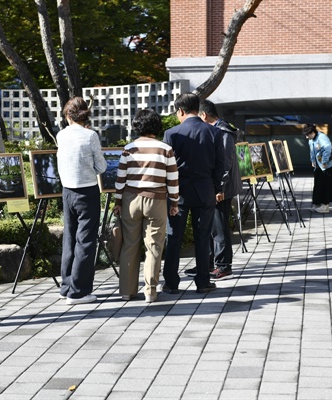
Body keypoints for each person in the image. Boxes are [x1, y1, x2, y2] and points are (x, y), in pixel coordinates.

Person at [112, 109, 179, 303]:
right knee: (154, 246)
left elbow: (120, 179)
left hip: (130, 200)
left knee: (129, 245)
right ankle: (150, 291)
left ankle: (126, 291)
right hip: (156, 200)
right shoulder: (165, 149)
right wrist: (173, 202)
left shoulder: (129, 148)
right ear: (156, 126)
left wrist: (118, 202)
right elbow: (173, 179)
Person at [163, 93, 225, 294]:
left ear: (180, 111)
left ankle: (171, 282)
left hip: (178, 191)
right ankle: (203, 281)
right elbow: (221, 166)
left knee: (174, 237)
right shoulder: (214, 132)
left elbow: (167, 168)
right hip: (205, 188)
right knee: (203, 236)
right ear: (197, 109)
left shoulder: (171, 133)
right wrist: (216, 188)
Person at [57, 96, 107, 305]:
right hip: (87, 191)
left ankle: (67, 285)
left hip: (67, 190)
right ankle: (78, 291)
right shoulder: (90, 136)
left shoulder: (61, 135)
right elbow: (101, 167)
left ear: (68, 115)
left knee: (69, 237)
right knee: (85, 241)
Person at [198, 99, 243, 280]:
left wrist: (219, 187)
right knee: (211, 226)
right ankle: (209, 263)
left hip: (221, 188)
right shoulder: (217, 129)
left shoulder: (222, 131)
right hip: (215, 186)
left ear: (203, 115)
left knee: (219, 226)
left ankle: (224, 266)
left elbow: (225, 163)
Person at [303, 123, 332, 214]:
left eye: (307, 135)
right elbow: (312, 152)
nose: (306, 137)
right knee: (318, 184)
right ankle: (317, 203)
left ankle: (325, 205)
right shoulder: (311, 139)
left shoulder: (322, 137)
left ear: (312, 132)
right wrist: (312, 160)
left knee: (325, 185)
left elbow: (328, 148)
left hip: (326, 166)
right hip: (318, 165)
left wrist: (324, 161)